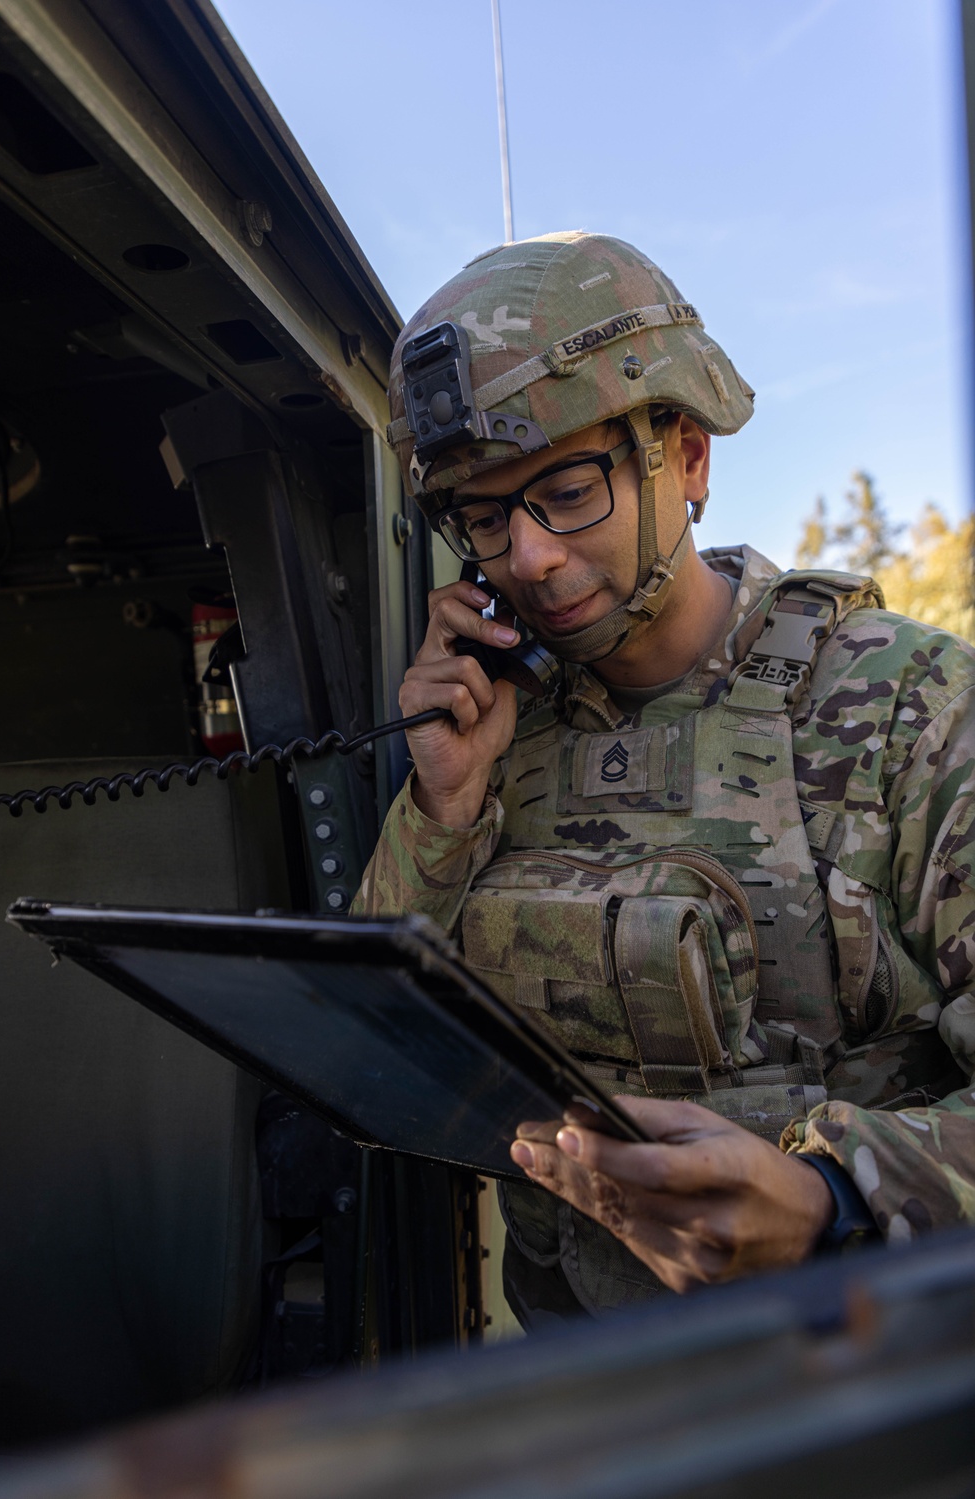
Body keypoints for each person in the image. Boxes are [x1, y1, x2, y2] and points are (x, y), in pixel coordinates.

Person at [354, 231, 975, 1325]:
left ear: (683, 458)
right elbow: (372, 1051)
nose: (529, 557)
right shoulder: (494, 733)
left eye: (566, 489)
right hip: (586, 1393)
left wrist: (833, 1192)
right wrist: (444, 804)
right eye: (486, 519)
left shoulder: (905, 704)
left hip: (859, 1394)